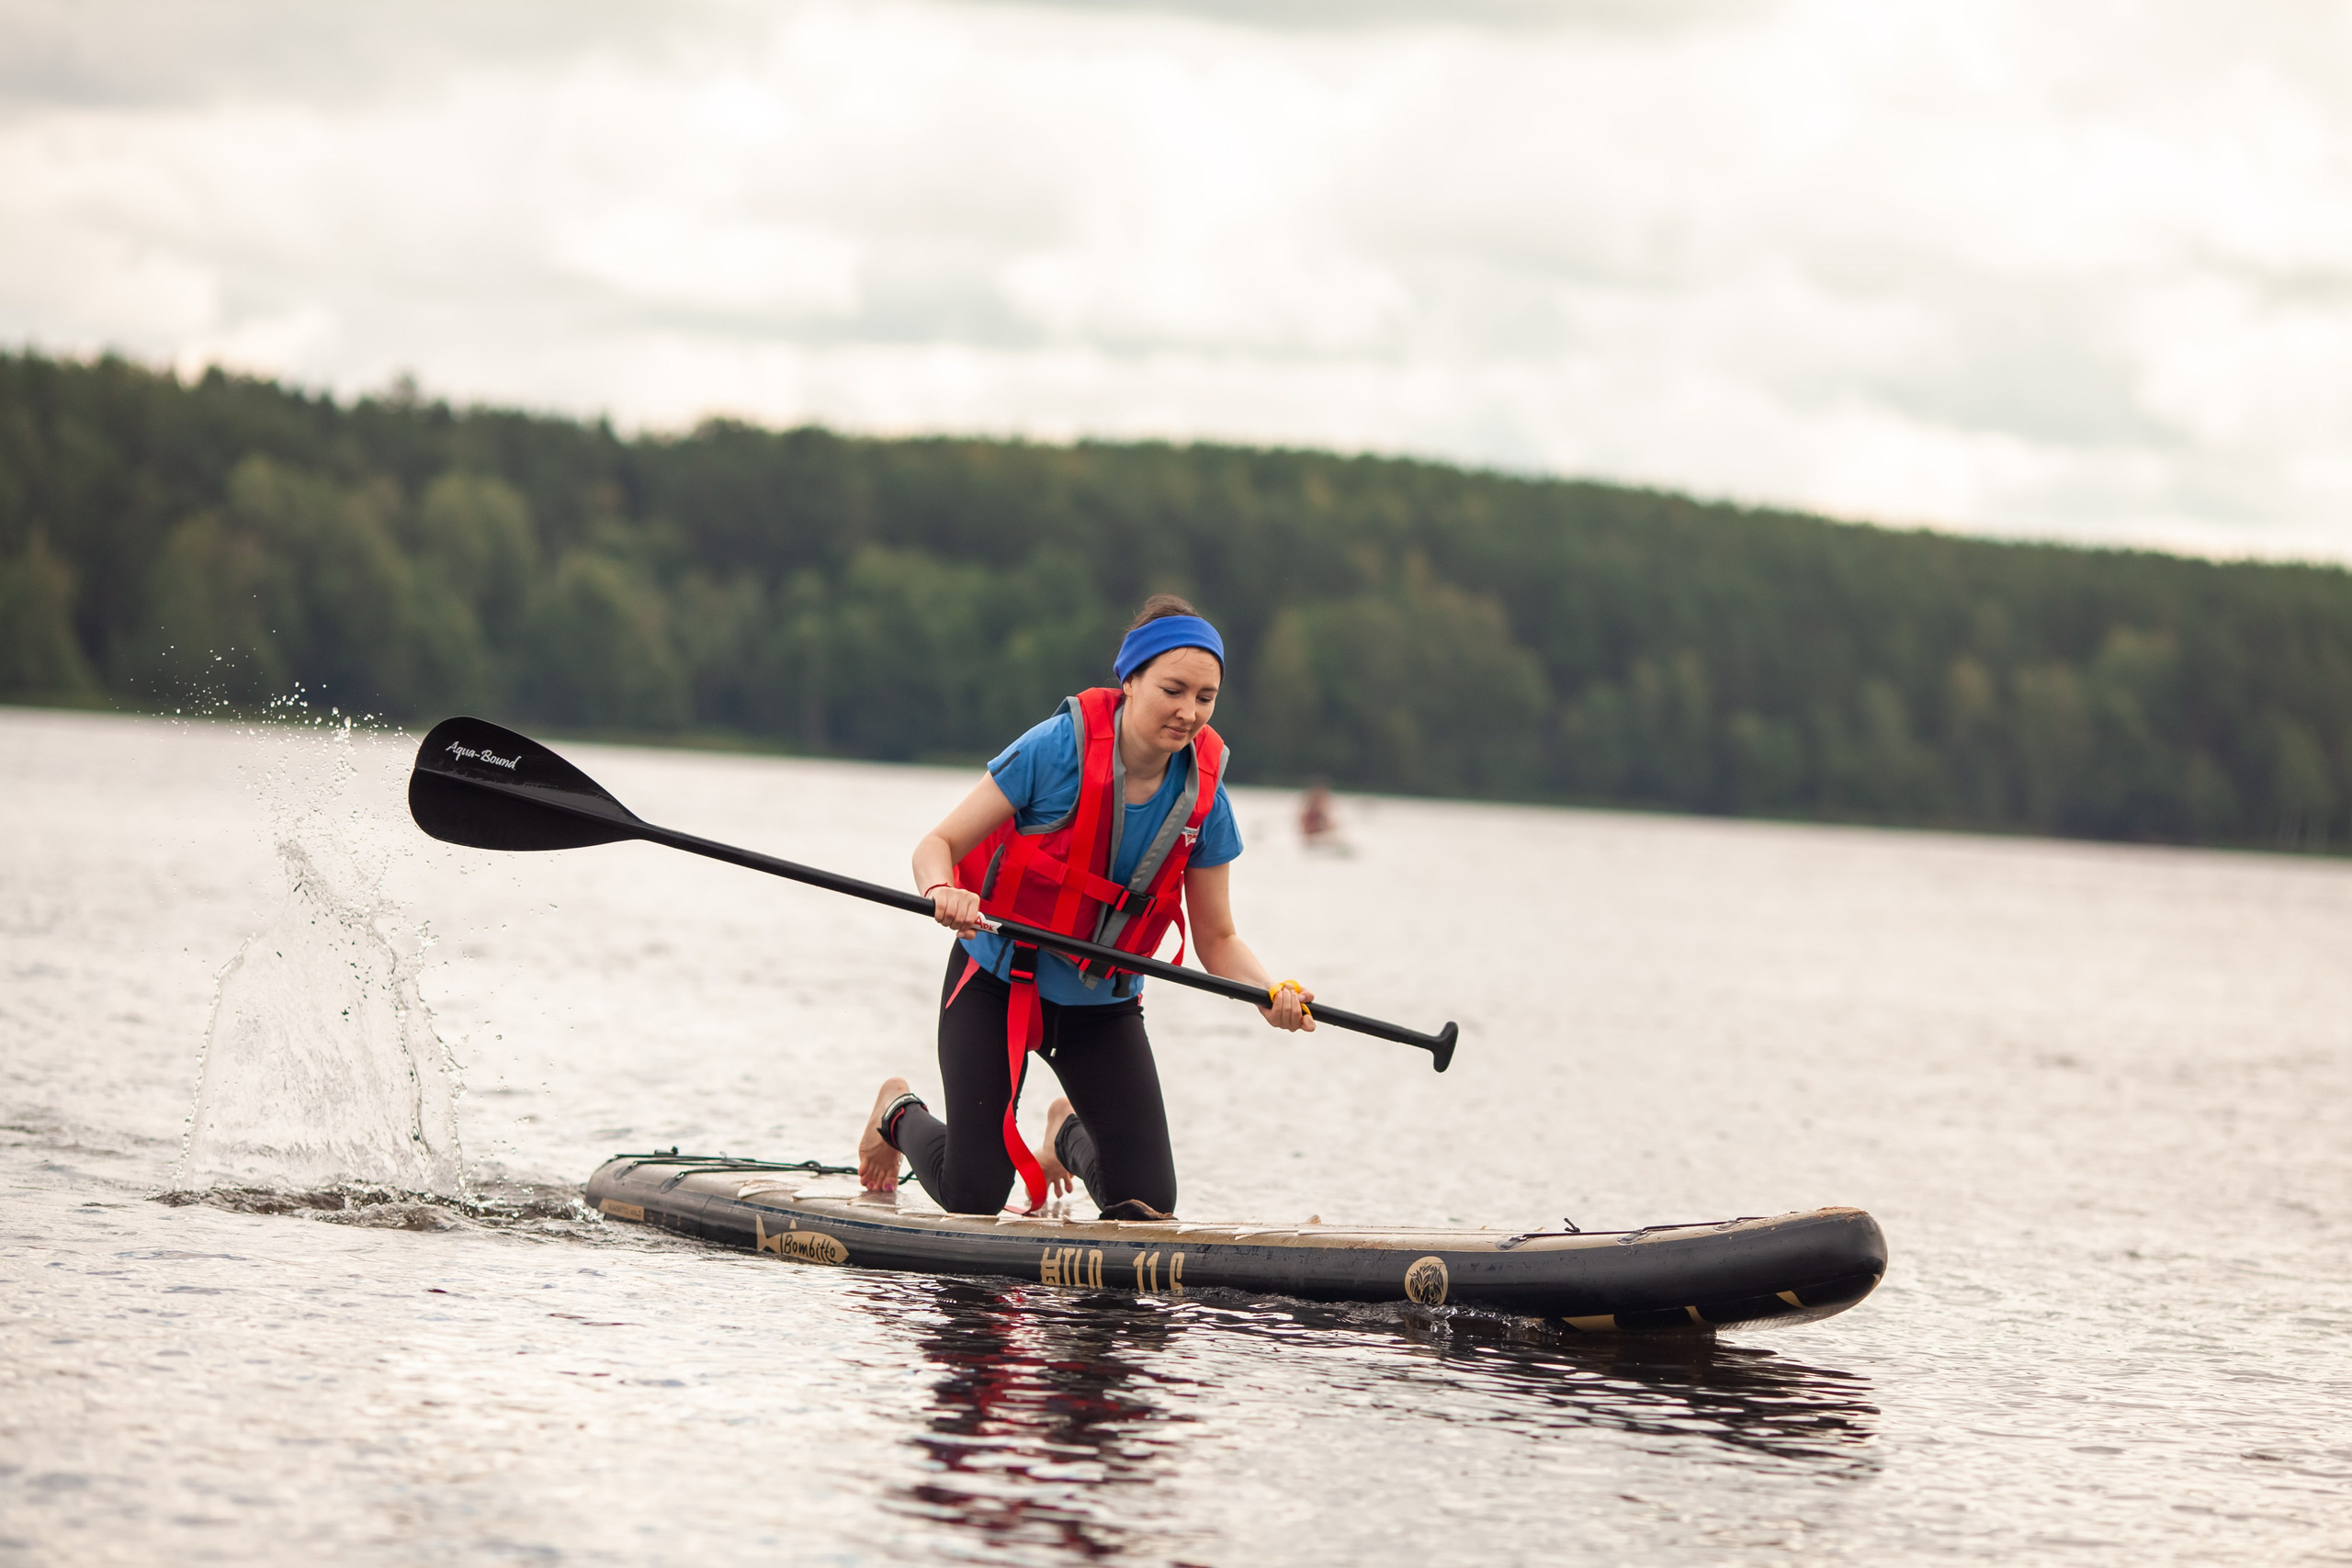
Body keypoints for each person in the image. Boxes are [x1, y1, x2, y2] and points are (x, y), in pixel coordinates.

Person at [855, 594, 1316, 1220]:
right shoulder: (1056, 750)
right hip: (994, 983)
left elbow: (1218, 938)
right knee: (975, 1193)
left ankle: (1065, 1137)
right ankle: (896, 1112)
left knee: (1146, 1205)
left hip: (1101, 1008)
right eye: (1173, 689)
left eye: (1205, 698)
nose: (1189, 712)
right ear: (1130, 679)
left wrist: (1271, 989)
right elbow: (936, 845)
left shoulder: (1207, 799)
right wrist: (942, 891)